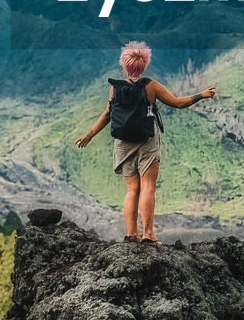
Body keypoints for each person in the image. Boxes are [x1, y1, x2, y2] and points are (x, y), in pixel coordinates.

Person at [74, 40, 215, 244]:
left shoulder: (115, 89)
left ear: (124, 64)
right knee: (148, 186)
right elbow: (178, 103)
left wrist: (89, 135)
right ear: (145, 63)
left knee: (132, 190)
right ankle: (148, 235)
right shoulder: (151, 86)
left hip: (123, 144)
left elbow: (107, 115)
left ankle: (132, 234)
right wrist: (200, 95)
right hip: (147, 142)